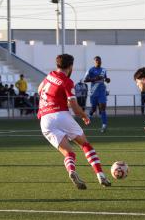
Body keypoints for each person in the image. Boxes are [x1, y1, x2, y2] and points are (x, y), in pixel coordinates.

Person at [38, 54, 111, 189]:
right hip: (60, 115)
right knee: (85, 144)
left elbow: (39, 89)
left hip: (45, 120)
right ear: (71, 66)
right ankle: (100, 175)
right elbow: (74, 106)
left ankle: (72, 171)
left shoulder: (50, 75)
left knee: (68, 153)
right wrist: (84, 115)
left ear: (57, 64)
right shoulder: (67, 82)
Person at [84, 56, 110, 132]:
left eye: (99, 61)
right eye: (97, 61)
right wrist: (94, 79)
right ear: (94, 62)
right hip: (94, 92)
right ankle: (89, 117)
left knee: (102, 107)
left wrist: (107, 80)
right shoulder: (90, 70)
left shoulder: (104, 70)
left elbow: (105, 79)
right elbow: (85, 80)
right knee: (93, 108)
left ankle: (104, 125)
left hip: (102, 91)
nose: (98, 62)